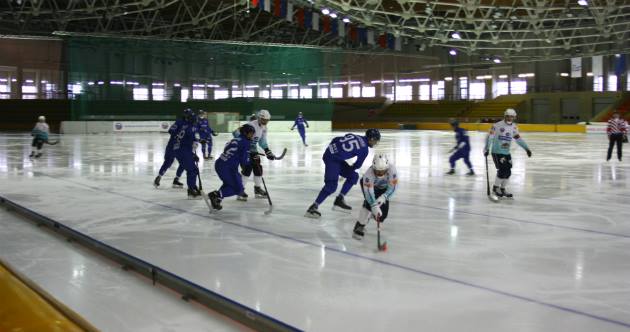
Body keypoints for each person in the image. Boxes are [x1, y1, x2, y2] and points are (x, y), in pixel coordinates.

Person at [305, 129, 381, 218]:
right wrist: (350, 169)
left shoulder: (354, 135)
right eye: (376, 140)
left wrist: (335, 152)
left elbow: (336, 139)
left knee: (353, 176)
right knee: (331, 186)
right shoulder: (364, 150)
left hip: (334, 157)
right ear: (371, 139)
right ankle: (313, 207)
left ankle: (339, 200)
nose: (375, 143)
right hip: (332, 160)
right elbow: (357, 165)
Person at [484, 108, 532, 199]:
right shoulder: (496, 125)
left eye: (511, 117)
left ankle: (502, 189)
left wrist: (526, 149)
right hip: (497, 152)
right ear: (504, 116)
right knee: (502, 170)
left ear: (514, 117)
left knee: (508, 171)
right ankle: (495, 188)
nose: (509, 118)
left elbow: (518, 139)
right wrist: (486, 148)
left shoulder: (514, 127)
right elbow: (490, 137)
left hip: (506, 152)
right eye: (508, 116)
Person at [233, 109, 278, 201]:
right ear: (259, 118)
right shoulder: (250, 125)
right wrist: (246, 143)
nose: (265, 122)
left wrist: (267, 151)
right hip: (244, 150)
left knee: (258, 168)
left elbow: (262, 141)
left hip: (253, 150)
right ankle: (240, 190)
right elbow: (235, 132)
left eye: (267, 120)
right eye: (263, 120)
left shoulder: (264, 128)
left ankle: (257, 189)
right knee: (247, 169)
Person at [207, 124, 255, 210]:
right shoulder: (246, 142)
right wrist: (252, 160)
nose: (252, 135)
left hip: (220, 164)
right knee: (238, 189)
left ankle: (217, 199)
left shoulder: (236, 139)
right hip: (228, 168)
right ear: (245, 133)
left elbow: (228, 149)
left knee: (231, 183)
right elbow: (244, 161)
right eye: (250, 133)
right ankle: (215, 195)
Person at [352, 153, 398, 240]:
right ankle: (360, 225)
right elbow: (369, 193)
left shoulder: (392, 171)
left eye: (383, 171)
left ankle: (369, 216)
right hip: (370, 187)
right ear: (373, 167)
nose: (380, 174)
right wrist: (373, 205)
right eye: (377, 171)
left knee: (382, 217)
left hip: (384, 189)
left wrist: (384, 197)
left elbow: (393, 187)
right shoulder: (368, 175)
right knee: (369, 205)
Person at [154, 109, 190, 189]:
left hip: (178, 147)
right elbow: (171, 130)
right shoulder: (179, 122)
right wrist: (177, 135)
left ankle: (174, 179)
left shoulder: (188, 124)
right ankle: (160, 177)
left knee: (181, 163)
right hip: (174, 146)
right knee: (170, 162)